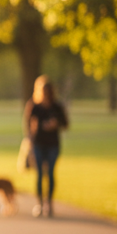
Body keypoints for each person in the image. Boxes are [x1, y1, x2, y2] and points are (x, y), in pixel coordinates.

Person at [25, 75, 69, 217]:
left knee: (50, 173)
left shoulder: (57, 106)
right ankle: (39, 203)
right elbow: (27, 123)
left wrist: (55, 124)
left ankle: (49, 203)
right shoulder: (34, 106)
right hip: (38, 143)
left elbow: (66, 124)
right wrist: (29, 138)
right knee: (39, 174)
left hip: (53, 144)